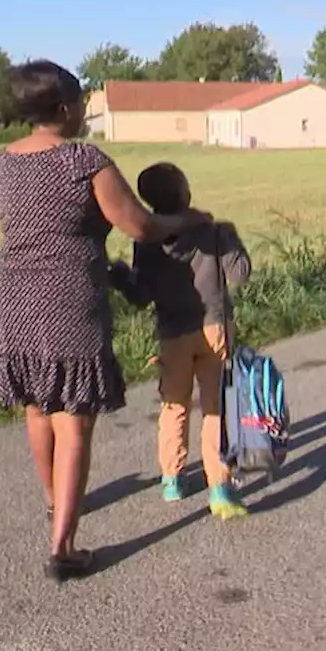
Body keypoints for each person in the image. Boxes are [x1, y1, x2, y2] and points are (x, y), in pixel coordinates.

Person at [0, 61, 205, 582]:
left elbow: (21, 222)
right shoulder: (85, 161)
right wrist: (185, 221)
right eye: (81, 101)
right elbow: (142, 225)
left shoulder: (1, 163)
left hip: (13, 291)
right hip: (69, 291)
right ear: (63, 109)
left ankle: (52, 499)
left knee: (38, 403)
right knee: (74, 415)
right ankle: (64, 547)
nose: (85, 109)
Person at [108, 162, 253, 520]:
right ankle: (220, 485)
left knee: (174, 405)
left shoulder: (147, 244)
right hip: (214, 326)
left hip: (172, 334)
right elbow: (240, 275)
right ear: (185, 192)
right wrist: (231, 240)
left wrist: (121, 276)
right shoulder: (217, 232)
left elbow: (141, 296)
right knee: (216, 405)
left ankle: (172, 478)